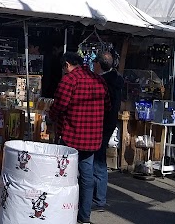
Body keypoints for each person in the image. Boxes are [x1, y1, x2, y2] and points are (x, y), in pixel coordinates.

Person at [49, 52, 109, 224]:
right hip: (92, 138)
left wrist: (51, 115)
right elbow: (108, 105)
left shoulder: (69, 80)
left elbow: (59, 106)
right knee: (87, 177)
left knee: (64, 176)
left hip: (71, 136)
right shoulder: (99, 80)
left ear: (67, 65)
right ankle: (84, 216)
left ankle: (63, 212)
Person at [91, 51, 123, 212]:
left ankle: (98, 199)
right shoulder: (116, 79)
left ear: (98, 64)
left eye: (94, 62)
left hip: (101, 124)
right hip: (107, 124)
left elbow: (104, 105)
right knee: (98, 159)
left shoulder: (104, 82)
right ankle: (98, 197)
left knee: (97, 161)